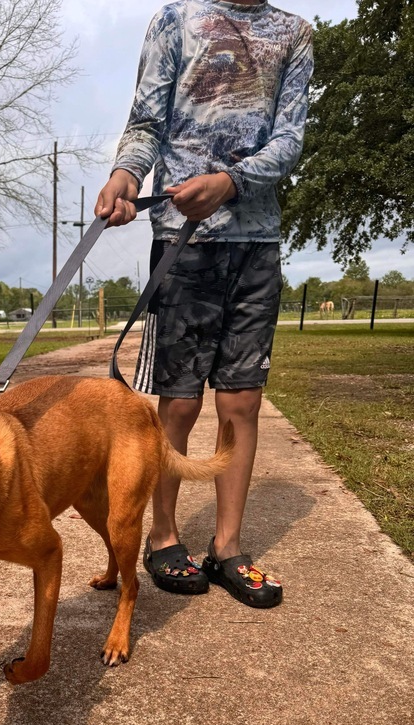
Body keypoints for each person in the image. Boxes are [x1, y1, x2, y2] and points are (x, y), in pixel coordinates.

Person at [95, 0, 313, 609]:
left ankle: (228, 546)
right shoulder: (176, 19)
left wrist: (232, 182)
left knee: (242, 400)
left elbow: (291, 139)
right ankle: (162, 537)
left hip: (255, 242)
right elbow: (146, 121)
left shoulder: (294, 33)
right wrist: (126, 176)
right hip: (180, 243)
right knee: (180, 403)